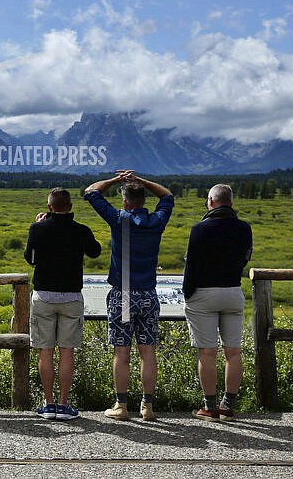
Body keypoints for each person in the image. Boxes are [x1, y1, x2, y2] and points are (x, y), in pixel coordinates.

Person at [84, 170, 174, 421]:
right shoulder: (157, 220)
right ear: (143, 201)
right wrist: (142, 180)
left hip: (123, 294)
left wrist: (115, 180)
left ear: (125, 201)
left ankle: (121, 405)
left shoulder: (118, 218)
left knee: (121, 352)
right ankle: (147, 406)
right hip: (148, 292)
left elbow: (91, 191)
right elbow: (167, 196)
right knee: (148, 351)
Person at [25, 188, 101, 420]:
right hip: (71, 296)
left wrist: (38, 226)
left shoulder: (38, 229)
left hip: (44, 295)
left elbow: (31, 258)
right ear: (69, 207)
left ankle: (48, 404)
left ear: (49, 208)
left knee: (45, 351)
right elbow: (95, 252)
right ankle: (64, 404)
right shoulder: (80, 231)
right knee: (67, 352)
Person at [184, 183, 253, 421]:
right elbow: (245, 258)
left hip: (204, 293)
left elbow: (190, 266)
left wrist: (188, 294)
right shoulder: (245, 228)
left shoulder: (199, 229)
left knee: (208, 352)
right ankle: (228, 404)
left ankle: (209, 406)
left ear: (211, 201)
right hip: (233, 291)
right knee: (233, 351)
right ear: (231, 202)